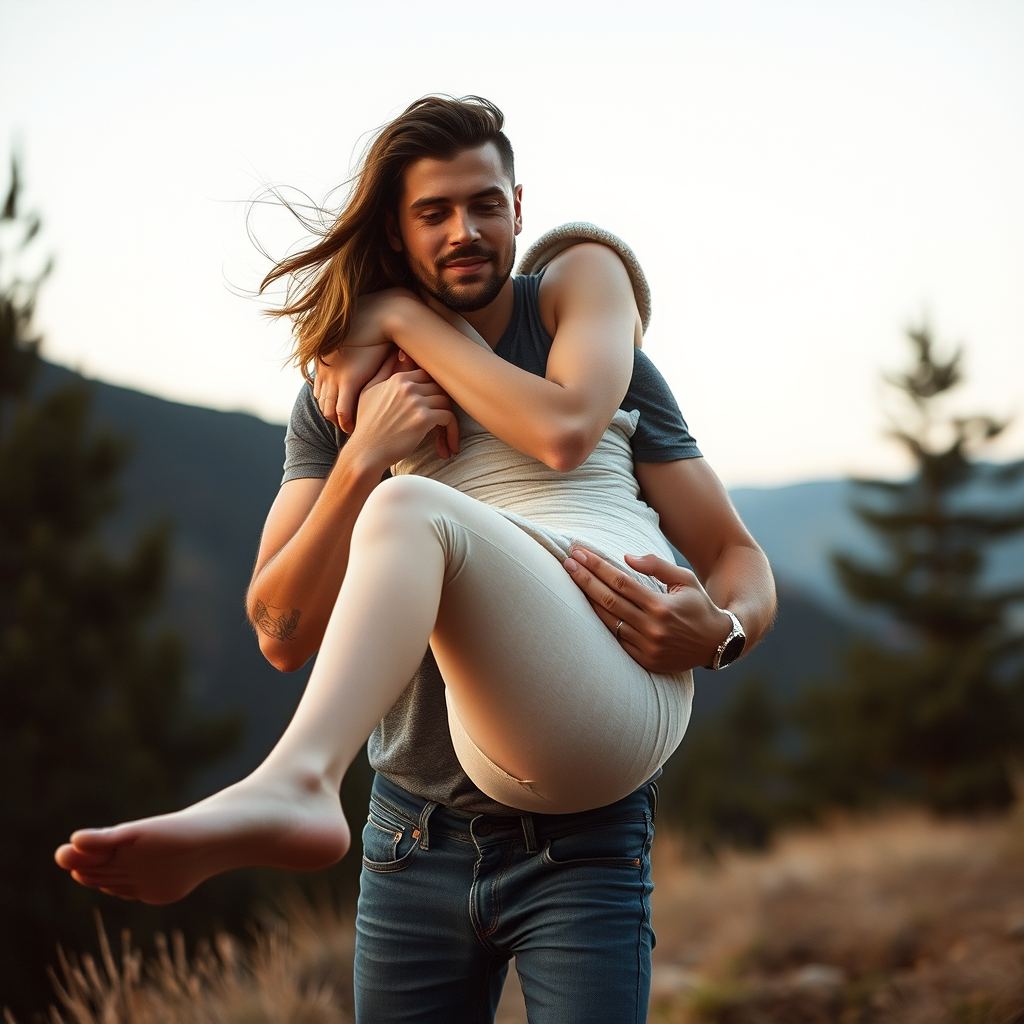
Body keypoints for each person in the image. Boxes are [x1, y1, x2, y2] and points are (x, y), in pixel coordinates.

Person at [56, 96, 776, 1022]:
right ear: (397, 230)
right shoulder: (343, 399)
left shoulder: (587, 343)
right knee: (397, 499)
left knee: (411, 505)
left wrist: (720, 633)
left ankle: (299, 784)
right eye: (433, 212)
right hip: (411, 835)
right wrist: (361, 457)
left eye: (484, 204)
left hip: (589, 819)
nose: (464, 230)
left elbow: (730, 552)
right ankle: (300, 785)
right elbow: (281, 631)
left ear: (521, 205)